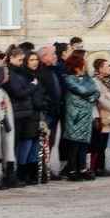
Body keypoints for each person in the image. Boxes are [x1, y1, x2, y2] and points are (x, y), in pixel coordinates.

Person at [3, 49, 41, 186]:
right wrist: (32, 86)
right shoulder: (11, 73)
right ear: (11, 58)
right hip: (16, 112)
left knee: (18, 144)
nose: (21, 63)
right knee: (13, 146)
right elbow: (18, 92)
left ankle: (16, 174)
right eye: (19, 60)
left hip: (23, 112)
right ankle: (11, 175)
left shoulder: (20, 72)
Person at [59, 53, 99, 181]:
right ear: (77, 66)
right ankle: (71, 169)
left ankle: (82, 168)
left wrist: (91, 97)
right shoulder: (68, 78)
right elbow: (82, 90)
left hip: (86, 115)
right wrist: (90, 96)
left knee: (84, 143)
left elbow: (96, 90)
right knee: (74, 143)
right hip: (75, 116)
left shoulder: (87, 78)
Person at [37, 45, 64, 178]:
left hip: (55, 111)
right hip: (47, 112)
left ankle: (47, 169)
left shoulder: (53, 70)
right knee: (44, 142)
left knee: (51, 142)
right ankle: (42, 170)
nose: (55, 56)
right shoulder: (40, 72)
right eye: (52, 54)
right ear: (43, 57)